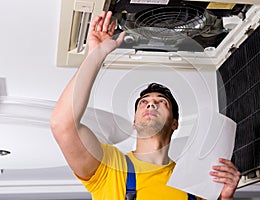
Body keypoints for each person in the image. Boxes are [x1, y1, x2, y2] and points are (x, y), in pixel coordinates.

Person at [50, 11, 241, 200]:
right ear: (134, 121)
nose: (151, 105)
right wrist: (97, 54)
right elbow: (62, 125)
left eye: (161, 102)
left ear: (175, 123)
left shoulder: (193, 183)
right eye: (144, 102)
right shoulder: (109, 168)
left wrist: (225, 197)